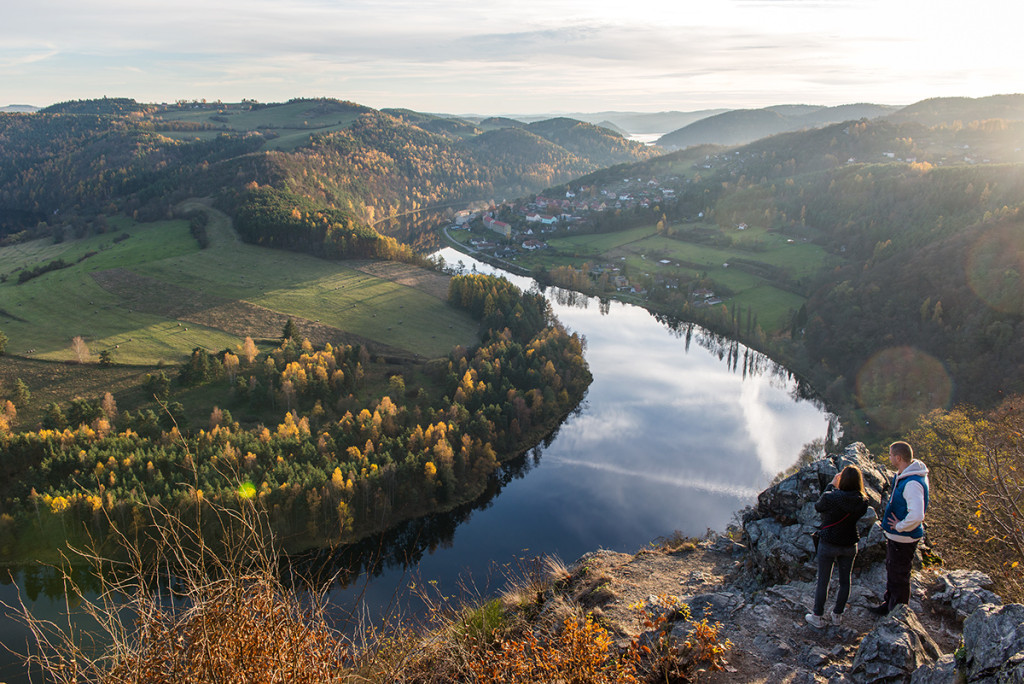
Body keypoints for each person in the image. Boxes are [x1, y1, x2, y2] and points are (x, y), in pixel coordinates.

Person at [869, 440, 930, 616]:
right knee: (893, 571)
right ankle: (889, 603)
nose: (889, 458)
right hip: (897, 536)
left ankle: (897, 614)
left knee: (899, 576)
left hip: (903, 537)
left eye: (890, 455)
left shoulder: (912, 483)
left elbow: (917, 515)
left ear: (898, 457)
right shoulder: (906, 474)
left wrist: (901, 526)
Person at [805, 465, 869, 628]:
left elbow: (819, 506)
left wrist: (832, 485)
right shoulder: (863, 500)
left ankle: (817, 616)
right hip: (849, 543)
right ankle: (837, 615)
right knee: (845, 581)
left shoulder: (832, 497)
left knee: (823, 581)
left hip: (829, 542)